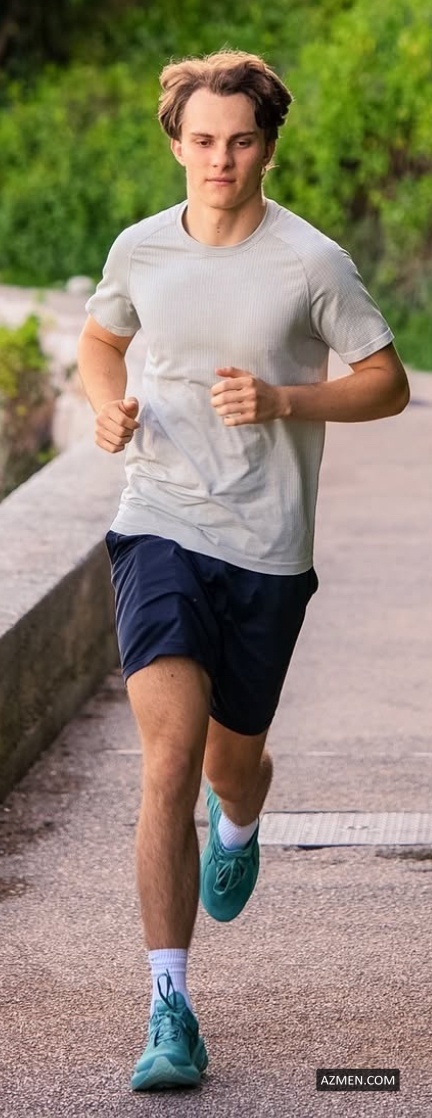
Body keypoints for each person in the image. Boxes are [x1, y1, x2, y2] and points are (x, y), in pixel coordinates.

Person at [78, 49, 410, 1091]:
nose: (220, 159)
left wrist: (284, 401)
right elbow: (99, 340)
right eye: (204, 141)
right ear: (177, 144)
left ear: (267, 147)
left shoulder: (311, 262)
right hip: (158, 519)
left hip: (267, 546)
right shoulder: (140, 248)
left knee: (231, 762)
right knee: (168, 759)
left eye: (241, 142)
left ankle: (245, 814)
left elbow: (389, 383)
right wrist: (107, 407)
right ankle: (169, 1007)